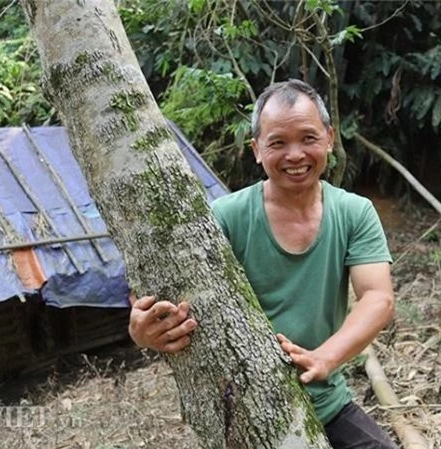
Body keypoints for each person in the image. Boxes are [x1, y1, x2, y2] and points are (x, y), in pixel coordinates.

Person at [128, 79, 397, 449]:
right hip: (247, 413)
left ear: (329, 138)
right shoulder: (224, 217)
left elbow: (377, 298)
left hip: (325, 399)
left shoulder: (354, 212)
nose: (295, 155)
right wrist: (144, 332)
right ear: (256, 150)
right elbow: (163, 306)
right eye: (277, 143)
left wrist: (325, 357)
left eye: (308, 138)